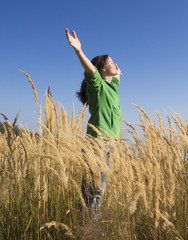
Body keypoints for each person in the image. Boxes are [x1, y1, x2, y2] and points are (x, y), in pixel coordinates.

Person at [65, 28, 122, 219]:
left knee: (97, 195)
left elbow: (116, 80)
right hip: (96, 147)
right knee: (93, 196)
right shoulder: (97, 86)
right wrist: (79, 51)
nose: (115, 63)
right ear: (102, 69)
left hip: (108, 148)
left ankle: (88, 229)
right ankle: (89, 232)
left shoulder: (112, 87)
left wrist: (117, 73)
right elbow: (90, 70)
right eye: (111, 62)